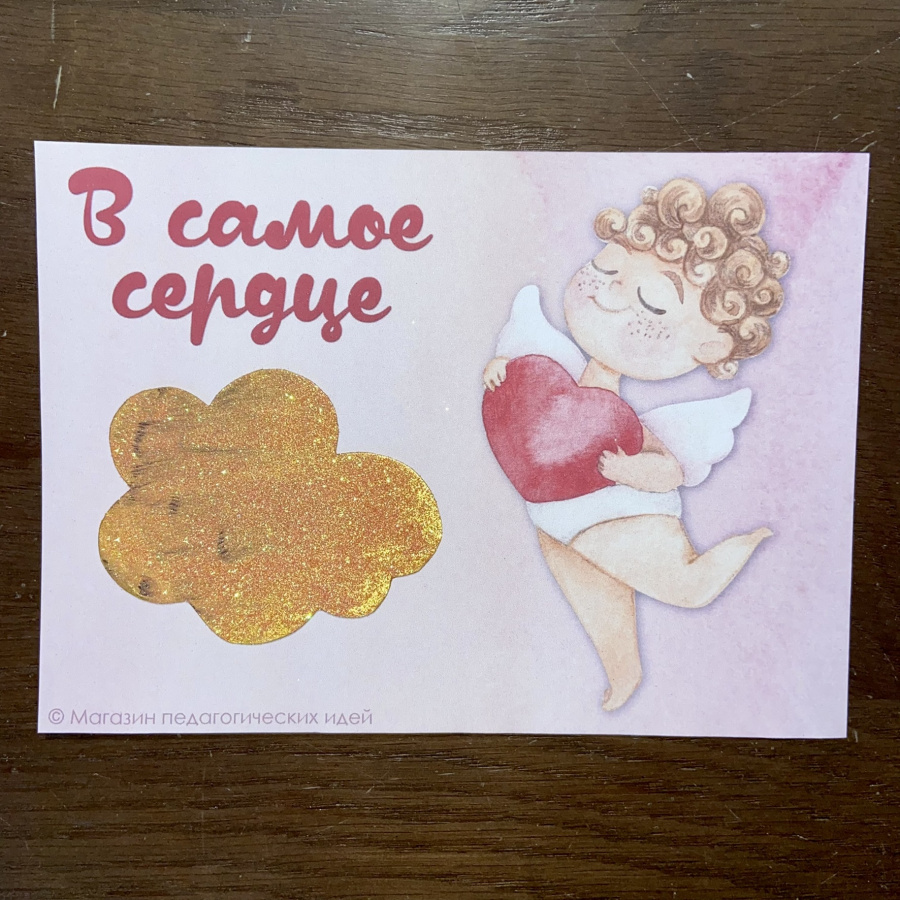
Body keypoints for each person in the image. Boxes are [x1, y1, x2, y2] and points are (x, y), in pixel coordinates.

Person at [483, 178, 789, 711]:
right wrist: (499, 370)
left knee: (685, 588)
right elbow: (520, 400)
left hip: (622, 510)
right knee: (595, 597)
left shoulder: (622, 422)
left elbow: (670, 469)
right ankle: (623, 672)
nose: (609, 294)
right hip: (551, 512)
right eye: (605, 268)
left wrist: (632, 472)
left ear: (708, 346)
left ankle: (746, 543)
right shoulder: (544, 368)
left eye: (651, 300)